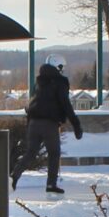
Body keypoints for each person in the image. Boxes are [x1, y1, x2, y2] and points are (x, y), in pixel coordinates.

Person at [14, 62, 83, 194]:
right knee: (54, 154)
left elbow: (31, 106)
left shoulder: (39, 85)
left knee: (30, 153)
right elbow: (65, 104)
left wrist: (29, 126)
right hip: (49, 124)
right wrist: (76, 125)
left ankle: (14, 176)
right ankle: (51, 184)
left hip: (33, 122)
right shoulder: (59, 82)